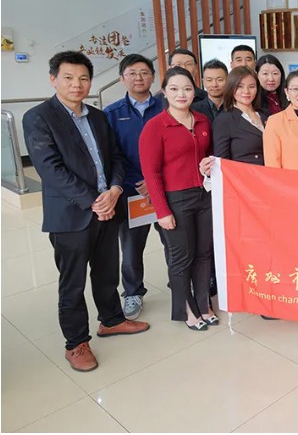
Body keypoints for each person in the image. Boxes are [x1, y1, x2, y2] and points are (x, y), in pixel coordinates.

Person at [23, 51, 150, 372]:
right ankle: (76, 343)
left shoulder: (97, 116)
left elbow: (116, 157)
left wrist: (116, 189)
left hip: (108, 206)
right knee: (73, 282)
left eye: (83, 78)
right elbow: (50, 169)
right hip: (72, 215)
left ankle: (112, 320)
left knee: (106, 271)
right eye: (68, 78)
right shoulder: (39, 117)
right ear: (53, 79)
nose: (76, 85)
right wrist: (95, 200)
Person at [139, 66, 217, 331]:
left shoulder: (203, 121)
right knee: (182, 256)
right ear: (164, 92)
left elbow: (209, 156)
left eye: (187, 88)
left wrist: (208, 164)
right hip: (175, 199)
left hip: (204, 195)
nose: (181, 94)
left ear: (194, 91)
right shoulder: (155, 127)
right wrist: (162, 212)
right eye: (174, 89)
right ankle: (186, 308)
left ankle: (203, 304)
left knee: (204, 253)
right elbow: (151, 174)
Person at [103, 53, 165, 320]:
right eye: (132, 73)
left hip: (165, 188)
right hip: (131, 192)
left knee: (174, 242)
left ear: (153, 77)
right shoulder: (111, 114)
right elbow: (112, 155)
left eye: (144, 72)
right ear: (122, 79)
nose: (139, 78)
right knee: (130, 249)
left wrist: (155, 181)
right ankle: (132, 292)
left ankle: (181, 284)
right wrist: (136, 183)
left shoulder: (167, 106)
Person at [213, 67, 268, 165]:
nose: (246, 91)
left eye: (251, 86)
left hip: (271, 171)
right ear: (231, 88)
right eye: (240, 86)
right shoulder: (224, 120)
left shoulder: (266, 114)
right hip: (245, 173)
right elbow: (222, 162)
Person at [192, 59, 227, 123]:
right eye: (209, 80)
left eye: (219, 80)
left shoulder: (235, 106)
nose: (214, 85)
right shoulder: (194, 109)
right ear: (203, 82)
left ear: (228, 80)